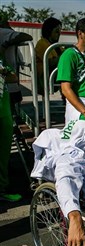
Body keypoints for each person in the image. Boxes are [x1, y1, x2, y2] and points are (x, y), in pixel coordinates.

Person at [0, 14, 33, 119]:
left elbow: (26, 37)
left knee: (9, 109)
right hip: (7, 80)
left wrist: (6, 44)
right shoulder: (4, 32)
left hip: (7, 77)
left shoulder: (5, 32)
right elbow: (27, 36)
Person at [0, 54, 22, 202]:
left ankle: (2, 189)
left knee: (3, 153)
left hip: (4, 110)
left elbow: (13, 77)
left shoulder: (1, 58)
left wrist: (4, 72)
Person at [35, 17, 64, 99]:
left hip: (55, 75)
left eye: (59, 32)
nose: (59, 34)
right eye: (56, 31)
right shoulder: (42, 43)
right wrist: (66, 55)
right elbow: (49, 62)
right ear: (49, 31)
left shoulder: (56, 46)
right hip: (45, 78)